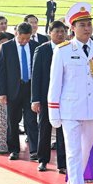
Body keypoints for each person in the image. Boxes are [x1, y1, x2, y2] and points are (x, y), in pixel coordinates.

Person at [47, 2, 93, 184]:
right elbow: (55, 83)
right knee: (74, 153)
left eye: (89, 24)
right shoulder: (63, 50)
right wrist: (53, 111)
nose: (87, 28)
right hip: (70, 109)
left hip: (92, 110)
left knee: (86, 154)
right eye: (82, 24)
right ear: (72, 28)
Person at [0, 22, 40, 160]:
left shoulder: (35, 47)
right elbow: (2, 71)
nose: (25, 41)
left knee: (31, 120)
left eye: (27, 38)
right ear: (17, 34)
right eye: (22, 38)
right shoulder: (7, 47)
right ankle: (14, 149)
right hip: (13, 90)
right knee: (13, 121)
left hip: (30, 89)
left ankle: (34, 150)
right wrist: (2, 93)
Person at [31, 20, 68, 173]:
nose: (60, 34)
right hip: (47, 97)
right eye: (57, 31)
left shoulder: (68, 49)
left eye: (62, 32)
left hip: (65, 97)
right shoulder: (42, 50)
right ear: (50, 33)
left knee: (63, 131)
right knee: (44, 128)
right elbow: (36, 76)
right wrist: (35, 99)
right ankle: (43, 160)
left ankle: (62, 163)